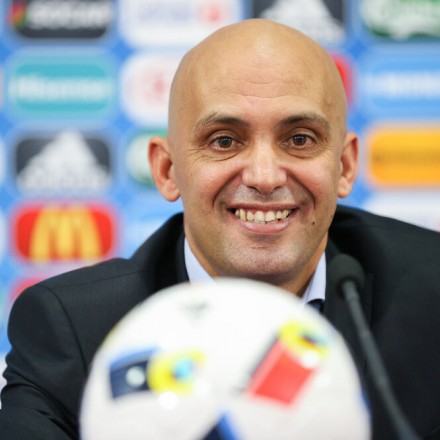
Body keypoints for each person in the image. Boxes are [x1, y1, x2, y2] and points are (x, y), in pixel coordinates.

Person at [0, 18, 439, 440]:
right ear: (167, 170)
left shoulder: (431, 296)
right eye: (224, 141)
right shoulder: (75, 331)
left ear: (344, 166)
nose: (264, 177)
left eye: (300, 139)